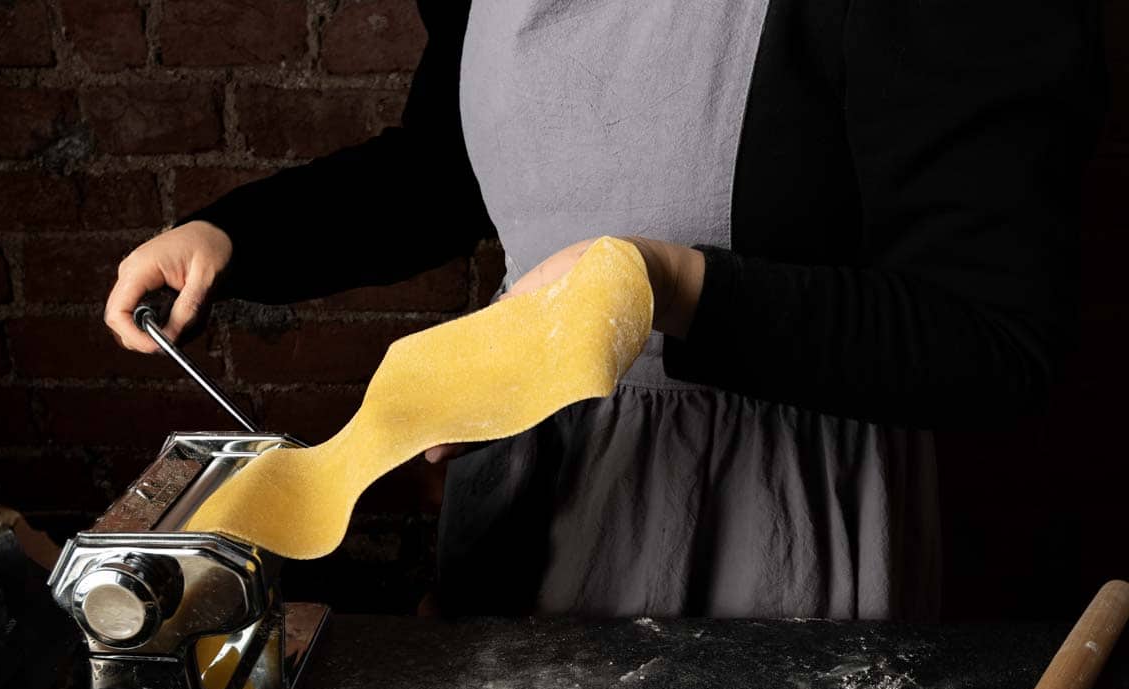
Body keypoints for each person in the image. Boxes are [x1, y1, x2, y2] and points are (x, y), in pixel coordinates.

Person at [105, 0, 1106, 621]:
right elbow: (451, 167)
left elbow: (993, 339)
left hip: (771, 532)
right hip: (526, 496)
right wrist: (241, 237)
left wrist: (660, 286)